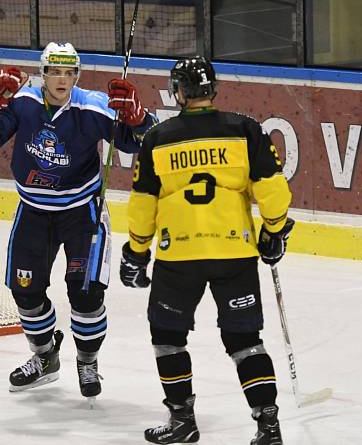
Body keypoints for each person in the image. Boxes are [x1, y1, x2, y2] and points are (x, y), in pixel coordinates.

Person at [119, 56, 294, 444]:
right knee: (246, 341)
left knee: (167, 335)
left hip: (179, 258)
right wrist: (274, 231)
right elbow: (272, 190)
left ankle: (182, 420)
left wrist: (136, 251)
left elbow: (143, 203)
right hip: (234, 254)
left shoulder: (157, 138)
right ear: (213, 89)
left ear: (179, 92)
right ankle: (269, 427)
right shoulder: (246, 130)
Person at [0, 42, 157, 400]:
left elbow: (141, 143)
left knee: (85, 294)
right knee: (25, 292)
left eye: (69, 72)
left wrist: (138, 117)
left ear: (77, 76)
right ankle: (45, 357)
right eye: (54, 71)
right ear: (43, 73)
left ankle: (87, 362)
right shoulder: (22, 101)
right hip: (33, 212)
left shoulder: (93, 106)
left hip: (80, 213)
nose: (62, 79)